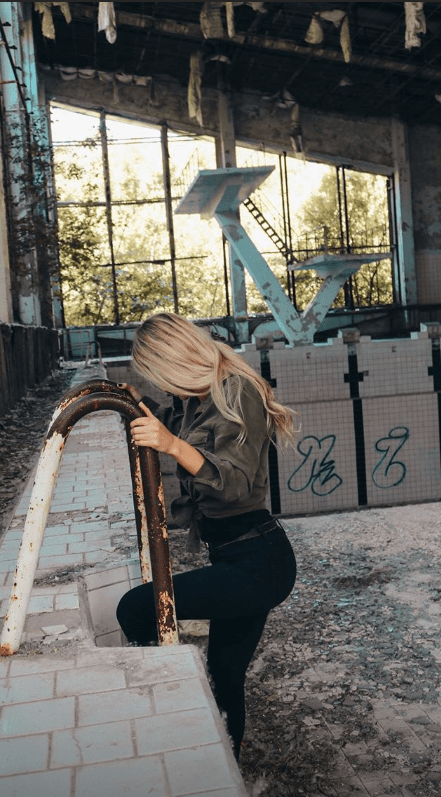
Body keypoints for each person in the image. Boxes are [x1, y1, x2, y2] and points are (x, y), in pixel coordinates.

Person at [116, 312, 297, 760]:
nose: (164, 387)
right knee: (224, 674)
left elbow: (233, 482)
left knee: (136, 608)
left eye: (160, 376)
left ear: (177, 359)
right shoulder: (198, 396)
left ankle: (166, 707)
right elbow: (176, 429)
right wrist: (138, 403)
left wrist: (172, 446)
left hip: (259, 560)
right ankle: (222, 766)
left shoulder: (238, 391)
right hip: (236, 557)